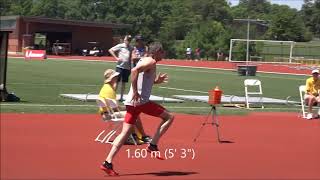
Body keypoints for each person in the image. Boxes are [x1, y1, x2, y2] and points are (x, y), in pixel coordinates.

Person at [100, 42, 175, 176]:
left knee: (125, 133)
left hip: (131, 104)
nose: (164, 54)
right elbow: (134, 71)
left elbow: (142, 78)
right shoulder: (151, 61)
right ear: (157, 51)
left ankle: (107, 162)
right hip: (140, 102)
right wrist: (135, 91)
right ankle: (153, 145)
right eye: (162, 52)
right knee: (169, 117)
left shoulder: (146, 60)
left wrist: (156, 81)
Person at [98, 69, 152, 144]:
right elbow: (115, 108)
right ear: (112, 78)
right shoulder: (109, 90)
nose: (117, 78)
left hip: (106, 113)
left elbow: (113, 107)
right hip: (109, 114)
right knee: (132, 115)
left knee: (131, 113)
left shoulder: (106, 87)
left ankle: (136, 135)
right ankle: (137, 136)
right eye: (115, 77)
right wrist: (127, 107)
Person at [108, 35, 133, 101]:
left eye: (129, 40)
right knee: (117, 81)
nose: (127, 41)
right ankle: (112, 96)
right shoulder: (121, 45)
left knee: (124, 82)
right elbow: (110, 50)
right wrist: (116, 58)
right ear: (125, 40)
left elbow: (130, 58)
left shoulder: (131, 47)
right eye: (127, 40)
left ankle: (121, 97)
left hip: (127, 67)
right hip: (120, 66)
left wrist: (130, 67)